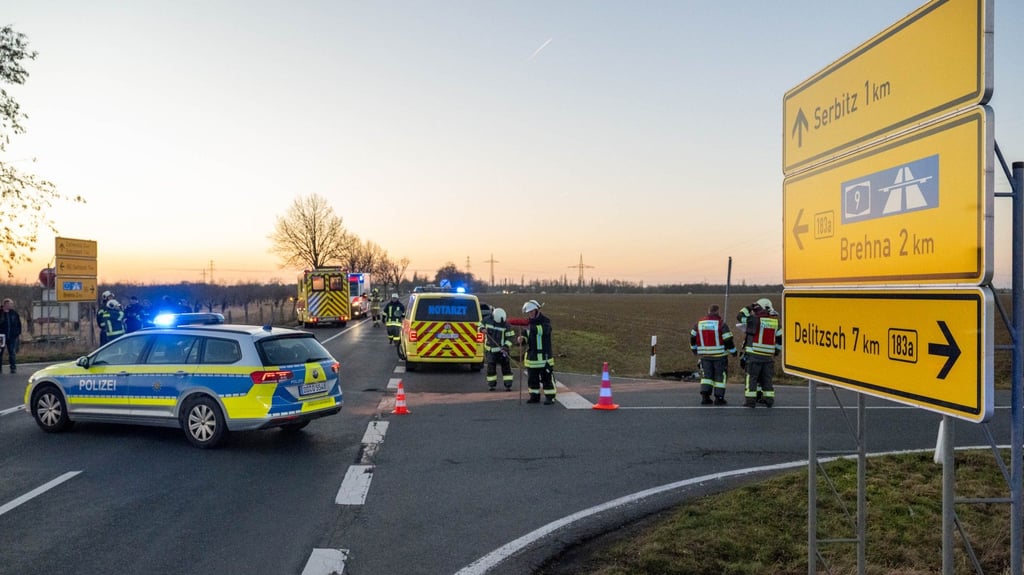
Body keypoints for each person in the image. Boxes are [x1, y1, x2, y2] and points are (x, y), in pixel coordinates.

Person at [690, 304, 737, 405]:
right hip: (719, 355)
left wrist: (694, 350)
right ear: (717, 312)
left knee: (706, 376)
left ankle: (705, 397)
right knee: (720, 376)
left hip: (705, 356)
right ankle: (719, 398)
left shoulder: (699, 323)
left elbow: (692, 338)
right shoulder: (721, 324)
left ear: (708, 311)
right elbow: (728, 340)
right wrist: (733, 352)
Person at [741, 298, 782, 408]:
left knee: (752, 378)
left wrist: (750, 307)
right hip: (768, 357)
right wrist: (776, 351)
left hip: (754, 355)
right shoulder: (775, 322)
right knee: (767, 379)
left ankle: (750, 401)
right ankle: (769, 400)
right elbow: (780, 339)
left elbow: (740, 316)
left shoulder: (755, 320)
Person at [516, 299, 555, 404]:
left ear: (537, 311)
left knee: (547, 379)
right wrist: (522, 339)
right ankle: (534, 396)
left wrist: (529, 326)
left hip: (544, 357)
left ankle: (549, 397)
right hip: (532, 358)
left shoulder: (545, 321)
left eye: (532, 311)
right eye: (529, 312)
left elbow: (543, 331)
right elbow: (525, 336)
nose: (530, 314)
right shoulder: (528, 324)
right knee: (532, 379)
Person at [483, 307, 516, 391]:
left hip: (502, 351)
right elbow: (479, 325)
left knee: (506, 368)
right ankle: (491, 384)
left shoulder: (506, 325)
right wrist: (481, 329)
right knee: (491, 368)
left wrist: (505, 346)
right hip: (490, 350)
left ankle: (508, 384)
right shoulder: (487, 320)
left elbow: (511, 338)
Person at [0, 298, 23, 374]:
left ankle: (13, 368)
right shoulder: (1, 313)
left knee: (12, 352)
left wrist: (17, 333)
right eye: (10, 304)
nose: (11, 305)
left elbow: (18, 324)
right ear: (5, 304)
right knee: (0, 353)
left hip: (12, 337)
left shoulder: (14, 313)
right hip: (1, 336)